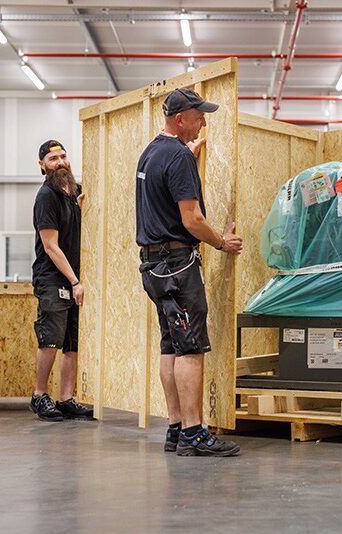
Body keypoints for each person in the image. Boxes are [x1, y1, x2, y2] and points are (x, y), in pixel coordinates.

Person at [136, 88, 243, 456]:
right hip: (178, 267)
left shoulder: (152, 152)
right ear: (180, 120)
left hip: (154, 267)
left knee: (172, 345)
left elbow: (166, 189)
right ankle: (195, 433)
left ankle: (176, 428)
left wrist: (188, 154)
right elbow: (192, 219)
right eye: (199, 117)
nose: (204, 123)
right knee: (191, 347)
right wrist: (221, 243)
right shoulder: (178, 157)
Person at [29, 140, 94, 422]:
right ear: (42, 165)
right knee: (51, 340)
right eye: (53, 159)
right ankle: (39, 395)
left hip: (74, 278)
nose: (60, 162)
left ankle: (66, 399)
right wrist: (74, 281)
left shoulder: (74, 192)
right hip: (53, 279)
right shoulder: (46, 196)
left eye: (63, 156)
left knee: (72, 342)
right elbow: (51, 246)